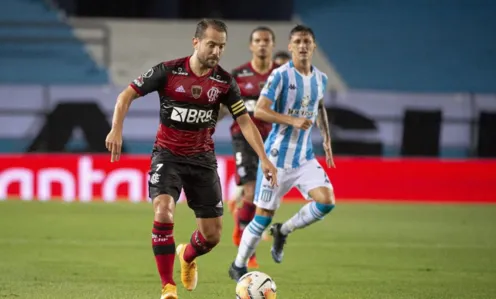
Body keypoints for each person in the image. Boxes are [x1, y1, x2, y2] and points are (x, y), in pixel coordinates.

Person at [104, 19, 278, 299]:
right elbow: (126, 95)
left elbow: (245, 122)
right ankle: (167, 287)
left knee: (212, 237)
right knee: (163, 211)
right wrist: (116, 128)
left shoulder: (224, 82)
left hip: (202, 161)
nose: (216, 51)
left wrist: (264, 159)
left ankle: (187, 254)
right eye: (211, 44)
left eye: (221, 46)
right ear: (196, 42)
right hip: (167, 156)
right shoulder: (168, 71)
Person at [228, 24, 336, 281]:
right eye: (297, 41)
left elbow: (319, 107)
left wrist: (327, 141)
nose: (302, 46)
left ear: (313, 46)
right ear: (289, 46)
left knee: (326, 201)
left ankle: (283, 231)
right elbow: (261, 111)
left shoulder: (321, 78)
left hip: (304, 157)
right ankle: (239, 264)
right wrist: (292, 120)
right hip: (276, 158)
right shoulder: (279, 76)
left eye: (306, 41)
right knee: (262, 216)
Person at [221, 26, 279, 269]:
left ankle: (241, 224)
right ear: (251, 45)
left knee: (264, 197)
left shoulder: (283, 75)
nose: (262, 44)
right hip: (243, 139)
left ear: (272, 44)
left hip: (274, 140)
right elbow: (224, 107)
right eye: (258, 40)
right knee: (251, 190)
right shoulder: (239, 75)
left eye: (266, 40)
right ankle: (247, 248)